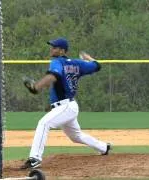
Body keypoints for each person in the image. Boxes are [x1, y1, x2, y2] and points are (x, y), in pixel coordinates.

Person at [20, 37, 112, 169]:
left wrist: (37, 87)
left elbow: (53, 76)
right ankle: (104, 147)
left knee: (44, 123)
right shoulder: (77, 63)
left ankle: (35, 159)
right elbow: (97, 66)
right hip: (67, 106)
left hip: (66, 106)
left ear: (62, 51)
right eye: (52, 46)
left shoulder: (57, 62)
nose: (52, 49)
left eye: (55, 47)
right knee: (76, 136)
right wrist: (88, 57)